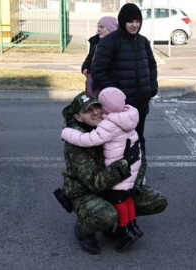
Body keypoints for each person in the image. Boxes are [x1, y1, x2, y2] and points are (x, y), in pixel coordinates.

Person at [58, 91, 167, 254]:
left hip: (115, 184)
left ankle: (123, 223)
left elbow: (141, 159)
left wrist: (132, 186)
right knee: (106, 215)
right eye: (89, 110)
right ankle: (84, 229)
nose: (96, 112)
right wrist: (124, 165)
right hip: (85, 191)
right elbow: (94, 182)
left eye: (97, 107)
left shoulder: (112, 126)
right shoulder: (76, 143)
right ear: (79, 117)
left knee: (157, 201)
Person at [91, 3, 158, 154]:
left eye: (137, 21)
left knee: (139, 138)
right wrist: (115, 96)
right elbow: (98, 71)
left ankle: (139, 173)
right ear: (122, 22)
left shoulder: (143, 42)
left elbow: (152, 66)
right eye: (130, 22)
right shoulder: (110, 41)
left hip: (141, 104)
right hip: (119, 108)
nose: (135, 25)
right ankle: (120, 174)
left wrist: (152, 87)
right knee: (119, 143)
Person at [82, 16, 118, 98]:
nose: (98, 29)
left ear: (110, 28)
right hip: (93, 86)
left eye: (101, 27)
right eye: (98, 27)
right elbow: (89, 58)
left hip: (108, 88)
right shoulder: (96, 43)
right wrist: (85, 68)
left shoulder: (117, 45)